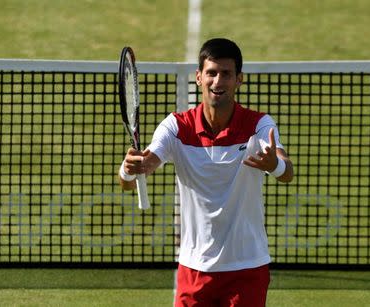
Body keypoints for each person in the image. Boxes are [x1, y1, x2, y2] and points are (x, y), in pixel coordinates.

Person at [119, 38, 294, 307]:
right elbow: (137, 173)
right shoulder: (176, 127)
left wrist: (275, 165)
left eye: (226, 74)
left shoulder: (259, 124)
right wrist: (131, 169)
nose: (218, 81)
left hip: (247, 267)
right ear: (199, 77)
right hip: (195, 268)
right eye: (211, 73)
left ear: (239, 80)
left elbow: (286, 171)